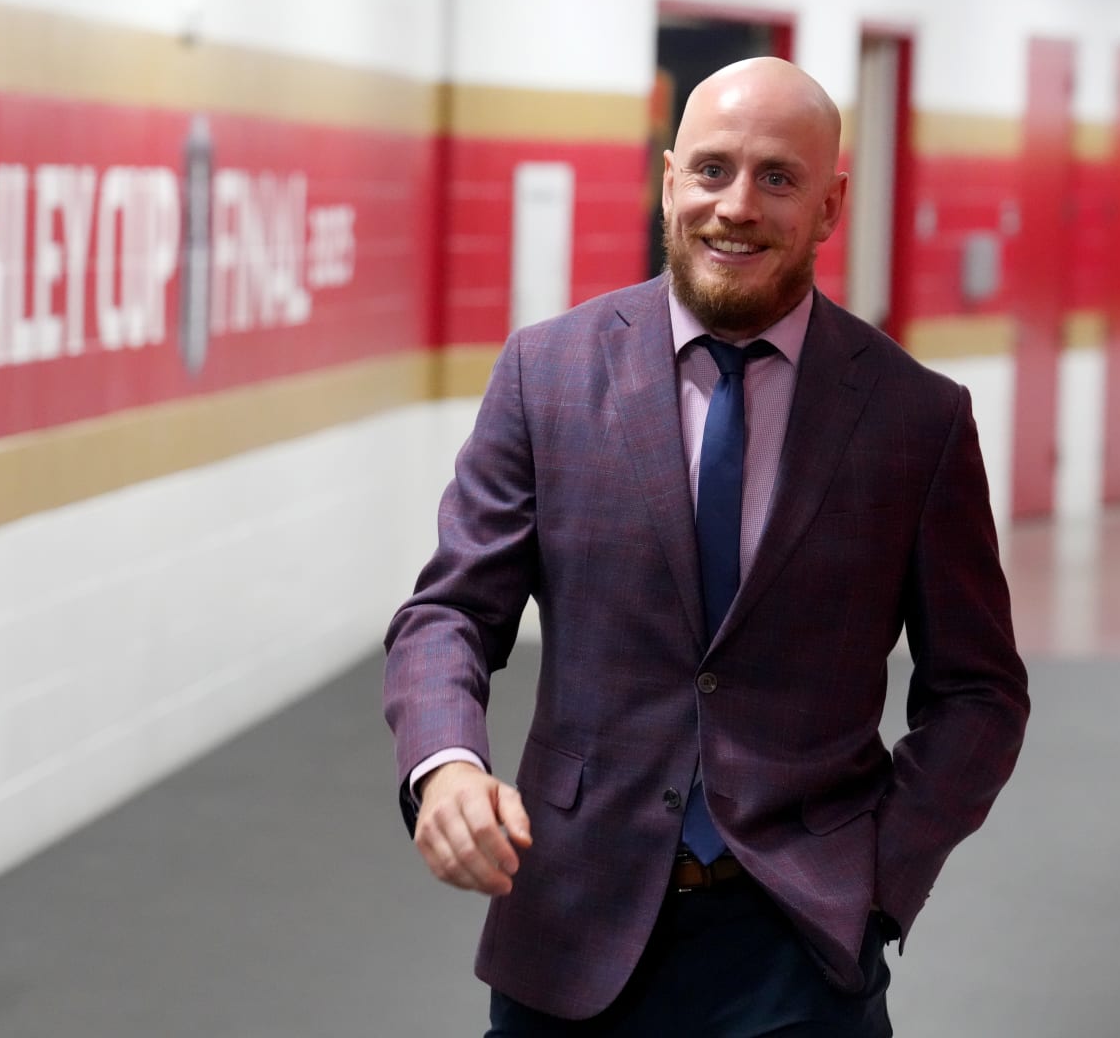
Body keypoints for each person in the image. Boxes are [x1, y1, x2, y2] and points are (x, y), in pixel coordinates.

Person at [382, 57, 1029, 1036]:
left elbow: (979, 692)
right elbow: (450, 613)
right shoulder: (545, 373)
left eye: (778, 177)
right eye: (713, 169)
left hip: (798, 946)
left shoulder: (916, 419)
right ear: (669, 180)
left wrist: (884, 874)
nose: (737, 206)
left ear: (830, 205)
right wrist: (445, 765)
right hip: (570, 922)